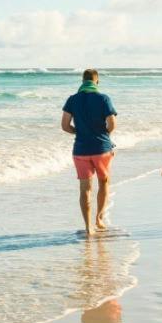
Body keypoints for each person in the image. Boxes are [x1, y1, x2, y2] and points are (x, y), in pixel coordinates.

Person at [61, 68, 118, 233]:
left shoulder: (72, 99)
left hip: (81, 150)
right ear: (97, 81)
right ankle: (99, 218)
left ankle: (88, 227)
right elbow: (112, 124)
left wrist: (79, 132)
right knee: (104, 183)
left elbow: (65, 126)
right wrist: (103, 135)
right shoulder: (103, 98)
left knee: (85, 189)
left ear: (82, 81)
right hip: (102, 149)